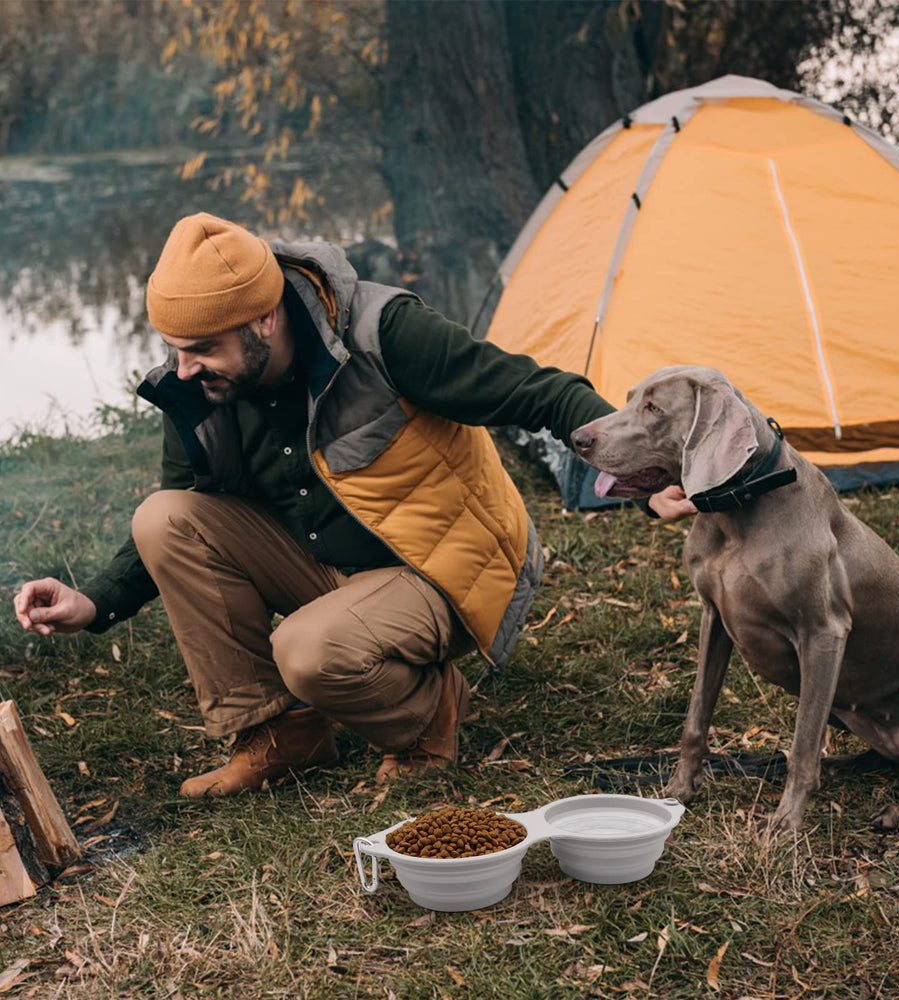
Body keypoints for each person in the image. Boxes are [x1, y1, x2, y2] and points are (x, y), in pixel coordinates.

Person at [13, 213, 695, 797]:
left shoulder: (385, 332)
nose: (183, 368)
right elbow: (189, 507)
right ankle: (280, 735)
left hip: (438, 567)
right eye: (173, 349)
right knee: (164, 517)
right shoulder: (199, 386)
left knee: (306, 650)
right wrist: (96, 602)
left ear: (264, 319)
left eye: (201, 349)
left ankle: (430, 718)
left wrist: (644, 471)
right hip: (326, 570)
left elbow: (537, 391)